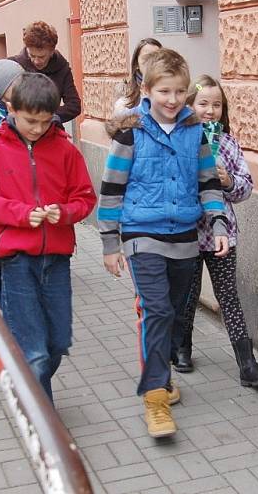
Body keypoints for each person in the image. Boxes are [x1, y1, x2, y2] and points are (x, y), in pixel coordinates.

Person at [97, 49, 228, 438]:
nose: (172, 100)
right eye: (164, 91)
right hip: (142, 234)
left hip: (185, 237)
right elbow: (111, 188)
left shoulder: (194, 132)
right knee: (155, 311)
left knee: (170, 313)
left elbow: (208, 182)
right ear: (147, 89)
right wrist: (109, 242)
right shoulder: (130, 131)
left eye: (179, 92)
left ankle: (164, 380)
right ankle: (155, 399)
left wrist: (218, 221)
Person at [0, 72, 96, 402]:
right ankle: (42, 419)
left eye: (44, 121)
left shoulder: (66, 150)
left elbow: (85, 197)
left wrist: (63, 213)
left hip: (57, 257)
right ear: (12, 108)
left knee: (57, 344)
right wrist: (21, 214)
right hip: (16, 259)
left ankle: (24, 381)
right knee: (34, 350)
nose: (37, 129)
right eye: (29, 121)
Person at [174, 75, 258, 387]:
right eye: (203, 103)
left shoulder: (229, 144)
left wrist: (227, 180)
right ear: (189, 105)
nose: (210, 110)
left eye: (217, 105)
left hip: (221, 235)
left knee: (228, 296)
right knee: (187, 295)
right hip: (189, 233)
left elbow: (245, 187)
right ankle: (182, 347)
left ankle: (248, 364)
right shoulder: (180, 140)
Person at [11, 21, 81, 123]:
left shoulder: (62, 68)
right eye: (32, 55)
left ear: (52, 51)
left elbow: (74, 106)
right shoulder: (13, 65)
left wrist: (45, 117)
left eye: (42, 57)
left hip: (50, 129)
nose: (36, 61)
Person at [112, 37, 162, 117]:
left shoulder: (174, 90)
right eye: (147, 58)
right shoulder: (125, 97)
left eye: (157, 58)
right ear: (137, 64)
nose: (152, 62)